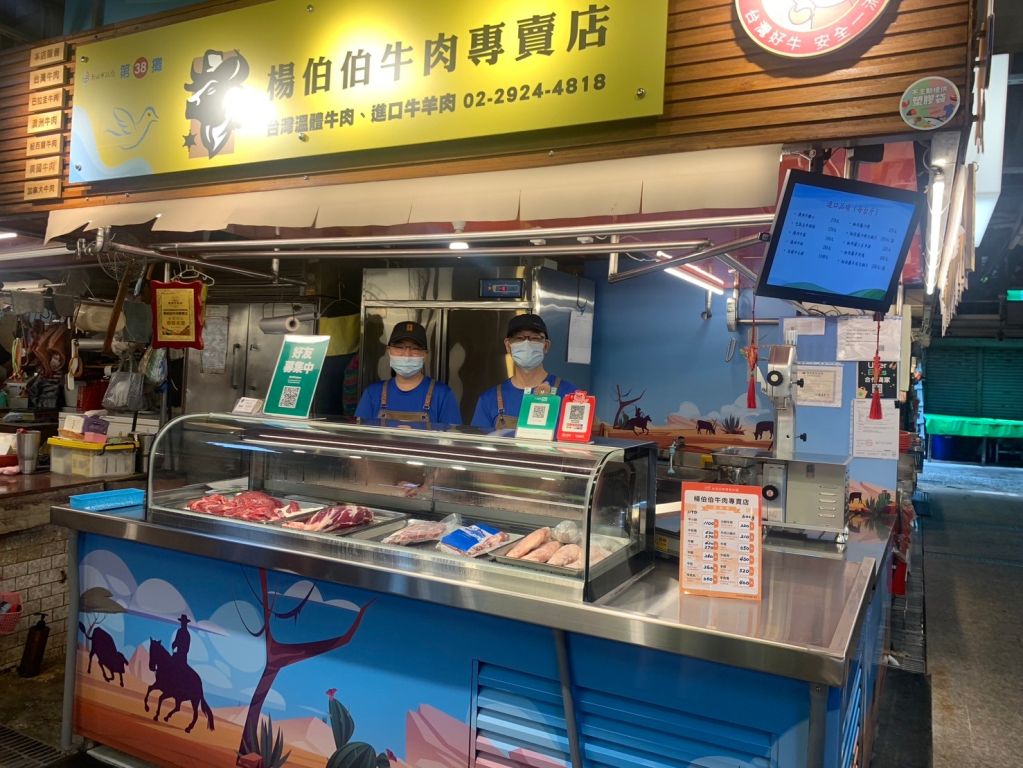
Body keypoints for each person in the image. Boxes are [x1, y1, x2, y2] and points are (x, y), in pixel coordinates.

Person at [471, 314, 576, 430]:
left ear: (546, 346)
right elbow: (478, 440)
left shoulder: (570, 396)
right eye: (519, 338)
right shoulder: (489, 399)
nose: (526, 344)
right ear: (508, 346)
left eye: (534, 338)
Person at [355, 321, 461, 428]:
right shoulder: (372, 393)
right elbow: (360, 435)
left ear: (425, 354)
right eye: (399, 347)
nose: (407, 354)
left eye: (415, 348)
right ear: (388, 350)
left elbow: (452, 436)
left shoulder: (443, 395)